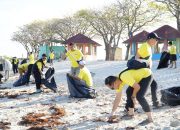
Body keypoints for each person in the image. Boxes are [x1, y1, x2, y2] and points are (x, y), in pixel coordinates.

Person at [135, 32, 161, 108]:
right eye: (156, 39)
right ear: (151, 39)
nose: (157, 41)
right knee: (152, 85)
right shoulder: (144, 46)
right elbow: (136, 58)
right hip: (143, 72)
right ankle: (155, 103)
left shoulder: (148, 47)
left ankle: (155, 103)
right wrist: (144, 64)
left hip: (146, 71)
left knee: (153, 85)